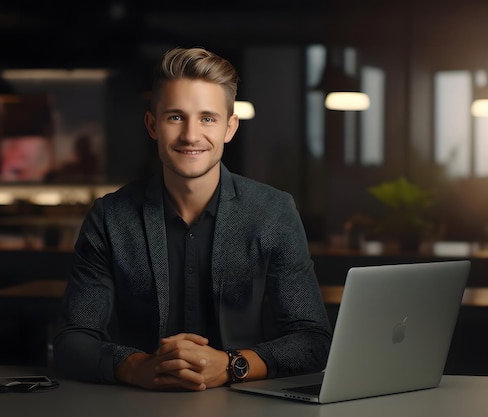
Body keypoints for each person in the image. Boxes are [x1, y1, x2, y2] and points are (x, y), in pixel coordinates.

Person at [53, 47, 332, 391]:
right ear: (152, 125)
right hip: (135, 405)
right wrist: (139, 367)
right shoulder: (110, 217)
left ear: (230, 128)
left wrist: (232, 365)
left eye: (207, 118)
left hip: (244, 407)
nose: (190, 135)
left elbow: (312, 340)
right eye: (175, 117)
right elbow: (71, 341)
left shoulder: (273, 211)